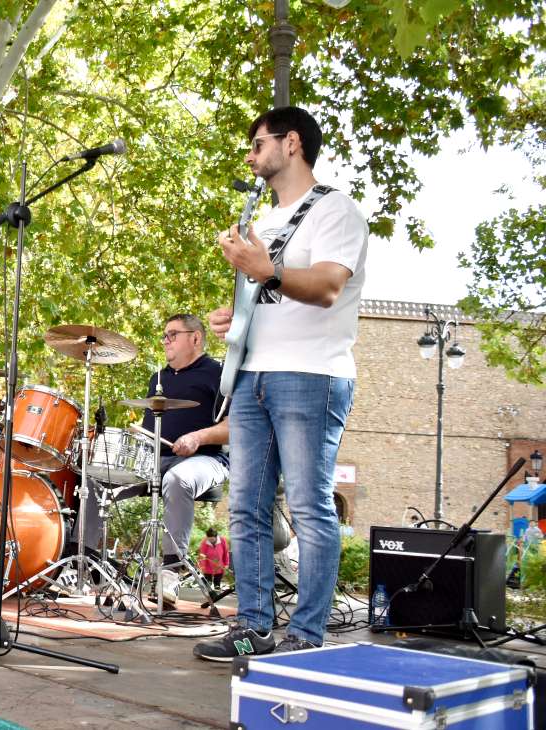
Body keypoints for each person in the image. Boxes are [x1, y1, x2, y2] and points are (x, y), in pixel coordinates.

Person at [194, 106, 367, 661]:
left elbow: (325, 288)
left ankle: (306, 635)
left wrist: (263, 271)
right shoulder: (263, 223)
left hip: (312, 376)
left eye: (257, 143)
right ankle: (252, 625)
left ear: (291, 143)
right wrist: (233, 314)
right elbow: (264, 295)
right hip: (252, 376)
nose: (250, 154)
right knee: (245, 507)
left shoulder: (336, 211)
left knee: (310, 506)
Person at [125, 314, 229, 571]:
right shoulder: (158, 378)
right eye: (164, 336)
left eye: (172, 334)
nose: (165, 341)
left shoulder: (219, 374)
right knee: (95, 476)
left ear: (196, 338)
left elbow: (235, 427)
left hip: (207, 459)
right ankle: (87, 565)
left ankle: (172, 569)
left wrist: (197, 437)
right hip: (155, 460)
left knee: (177, 478)